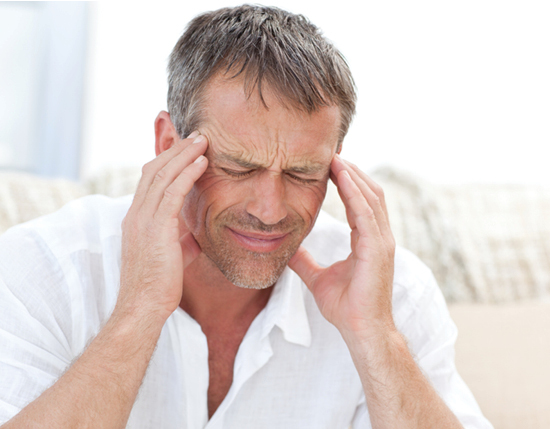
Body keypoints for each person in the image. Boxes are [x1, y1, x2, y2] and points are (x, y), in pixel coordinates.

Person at [0, 5, 492, 429]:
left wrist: (375, 338)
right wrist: (139, 309)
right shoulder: (42, 271)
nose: (269, 210)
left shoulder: (392, 294)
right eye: (237, 167)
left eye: (302, 173)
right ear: (168, 145)